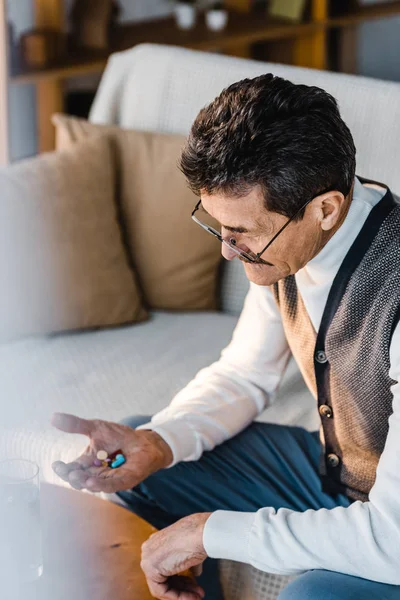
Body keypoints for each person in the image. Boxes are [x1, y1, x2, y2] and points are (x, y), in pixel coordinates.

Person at [51, 73, 400, 600]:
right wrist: (159, 442)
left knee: (312, 595)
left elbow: (392, 539)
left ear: (325, 209)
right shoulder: (291, 240)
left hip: (393, 529)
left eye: (243, 235)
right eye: (219, 227)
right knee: (141, 453)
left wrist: (209, 530)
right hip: (340, 473)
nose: (227, 253)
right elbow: (246, 371)